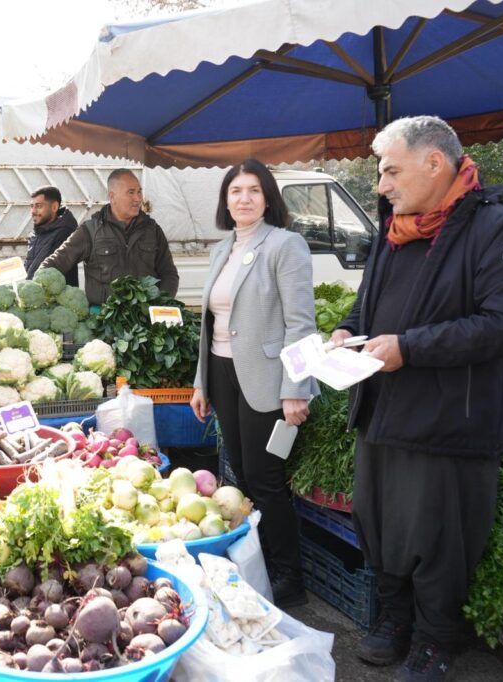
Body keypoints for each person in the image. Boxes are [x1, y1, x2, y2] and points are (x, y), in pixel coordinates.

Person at [331, 116, 503, 682]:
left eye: (390, 169)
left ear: (434, 163)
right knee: (381, 527)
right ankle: (395, 621)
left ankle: (435, 640)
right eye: (380, 172)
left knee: (439, 539)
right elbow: (368, 305)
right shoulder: (394, 230)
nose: (381, 184)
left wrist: (410, 348)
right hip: (382, 411)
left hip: (452, 420)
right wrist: (343, 332)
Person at [189, 159, 317, 609]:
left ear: (268, 198)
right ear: (225, 200)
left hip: (266, 378)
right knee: (240, 473)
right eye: (235, 191)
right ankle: (257, 562)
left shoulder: (285, 245)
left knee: (265, 478)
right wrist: (201, 382)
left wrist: (295, 388)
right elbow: (210, 324)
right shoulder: (221, 248)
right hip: (224, 374)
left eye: (253, 190)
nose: (243, 198)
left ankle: (289, 577)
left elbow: (302, 325)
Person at [39, 169, 179, 305]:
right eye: (131, 192)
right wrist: (39, 289)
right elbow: (54, 264)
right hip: (103, 321)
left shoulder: (153, 230)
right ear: (112, 197)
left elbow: (169, 273)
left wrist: (161, 304)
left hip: (144, 320)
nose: (138, 198)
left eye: (139, 191)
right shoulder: (90, 231)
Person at [24, 186, 78, 286]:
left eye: (38, 206)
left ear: (54, 207)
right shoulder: (36, 234)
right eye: (32, 206)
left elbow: (45, 271)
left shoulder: (64, 233)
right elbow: (30, 266)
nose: (33, 211)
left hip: (57, 299)